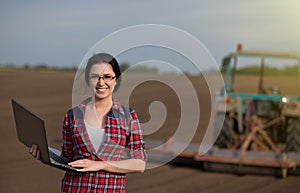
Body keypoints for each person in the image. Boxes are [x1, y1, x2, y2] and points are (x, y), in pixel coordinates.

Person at [29, 53, 147, 192]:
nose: (101, 82)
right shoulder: (72, 116)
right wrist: (46, 158)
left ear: (116, 80)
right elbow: (67, 160)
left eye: (107, 77)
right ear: (87, 79)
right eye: (95, 76)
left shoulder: (128, 116)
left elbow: (139, 164)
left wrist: (101, 165)